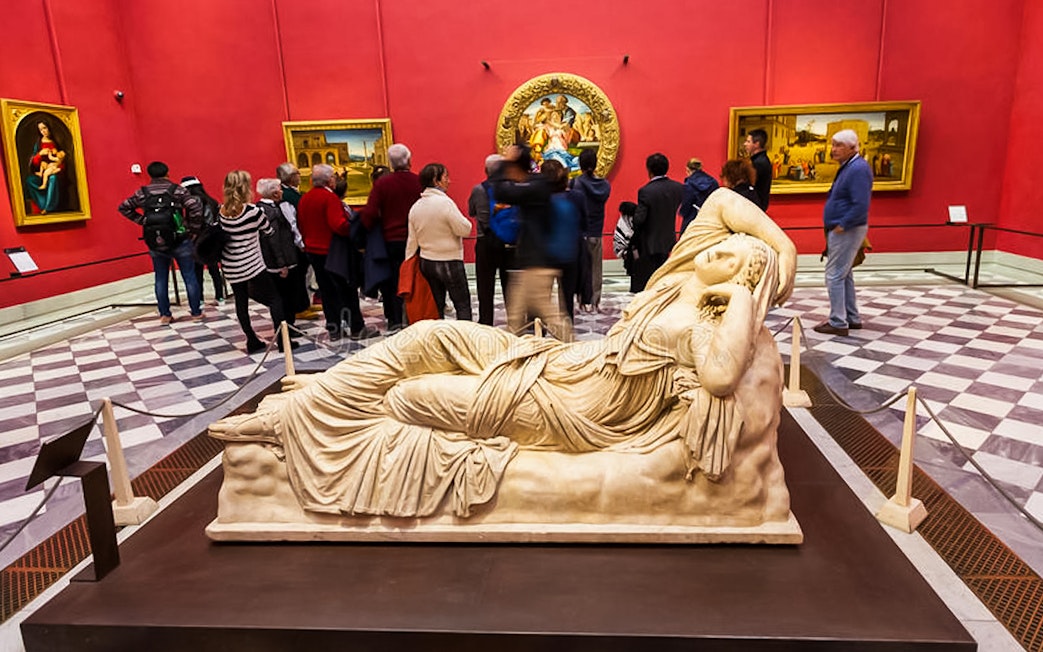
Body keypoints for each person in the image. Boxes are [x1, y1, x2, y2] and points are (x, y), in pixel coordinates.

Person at [209, 188, 797, 519]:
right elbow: (721, 201)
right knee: (427, 336)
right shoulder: (681, 277)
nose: (713, 247)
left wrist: (743, 294)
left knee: (411, 398)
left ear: (743, 274)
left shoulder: (719, 311)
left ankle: (301, 417)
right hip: (562, 362)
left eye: (730, 253)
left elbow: (720, 378)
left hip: (574, 407)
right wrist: (781, 244)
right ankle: (307, 405)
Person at [493, 144, 574, 342]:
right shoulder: (534, 185)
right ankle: (513, 356)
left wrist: (505, 162)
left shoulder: (535, 187)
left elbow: (501, 191)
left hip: (538, 263)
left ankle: (573, 349)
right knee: (517, 316)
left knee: (548, 315)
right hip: (532, 262)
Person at [119, 161, 204, 324]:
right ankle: (195, 313)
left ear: (150, 174)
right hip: (180, 239)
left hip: (155, 241)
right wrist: (192, 229)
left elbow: (124, 207)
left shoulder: (142, 192)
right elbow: (195, 207)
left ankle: (165, 314)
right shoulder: (177, 190)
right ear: (168, 173)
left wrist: (143, 220)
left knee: (160, 277)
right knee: (189, 275)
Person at [219, 170, 290, 353]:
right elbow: (268, 231)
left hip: (232, 267)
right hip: (253, 264)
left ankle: (251, 340)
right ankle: (283, 341)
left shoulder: (221, 211)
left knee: (241, 303)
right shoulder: (253, 211)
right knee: (275, 300)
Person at [297, 164, 370, 341]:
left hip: (313, 251)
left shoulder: (305, 198)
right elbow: (338, 225)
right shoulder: (329, 199)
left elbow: (301, 224)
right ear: (330, 180)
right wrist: (355, 225)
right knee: (347, 290)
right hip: (333, 251)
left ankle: (334, 329)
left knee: (327, 292)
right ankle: (356, 328)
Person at [814, 129, 872, 337]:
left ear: (851, 147)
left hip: (846, 228)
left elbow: (860, 204)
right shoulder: (850, 166)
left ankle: (838, 321)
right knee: (844, 274)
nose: (833, 149)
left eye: (838, 145)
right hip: (844, 227)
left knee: (834, 275)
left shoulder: (857, 169)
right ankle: (851, 316)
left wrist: (843, 224)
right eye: (833, 144)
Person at [360, 143, 422, 333]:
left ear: (391, 163)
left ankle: (395, 319)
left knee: (392, 282)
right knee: (416, 279)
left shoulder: (382, 184)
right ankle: (416, 317)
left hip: (391, 240)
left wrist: (365, 234)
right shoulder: (418, 181)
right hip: (416, 239)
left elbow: (369, 214)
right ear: (409, 160)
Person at [406, 163, 473, 320]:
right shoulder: (445, 203)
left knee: (435, 307)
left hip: (427, 262)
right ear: (436, 181)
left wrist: (408, 264)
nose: (449, 181)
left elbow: (412, 241)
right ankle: (464, 341)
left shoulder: (416, 207)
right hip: (449, 261)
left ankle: (437, 339)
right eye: (445, 177)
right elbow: (464, 229)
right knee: (462, 304)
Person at [256, 178, 308, 342]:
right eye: (280, 189)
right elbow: (274, 240)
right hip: (281, 262)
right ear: (274, 193)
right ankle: (286, 330)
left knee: (285, 296)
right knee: (285, 297)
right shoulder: (271, 212)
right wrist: (282, 264)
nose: (282, 192)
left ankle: (287, 328)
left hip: (276, 261)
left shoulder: (262, 208)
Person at [631, 152, 684, 292]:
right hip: (669, 239)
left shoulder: (646, 191)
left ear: (649, 170)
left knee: (649, 282)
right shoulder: (678, 188)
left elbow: (639, 219)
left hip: (649, 242)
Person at [468, 154, 511, 326]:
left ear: (486, 170)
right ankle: (515, 322)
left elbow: (471, 212)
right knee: (510, 285)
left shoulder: (478, 189)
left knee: (485, 286)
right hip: (507, 242)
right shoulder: (510, 188)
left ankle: (486, 322)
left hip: (484, 241)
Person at [570, 148, 611, 312]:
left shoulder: (575, 183)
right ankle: (595, 301)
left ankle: (581, 301)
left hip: (580, 232)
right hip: (597, 230)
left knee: (581, 269)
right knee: (596, 269)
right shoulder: (605, 185)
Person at [180, 176, 226, 304]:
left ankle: (199, 298)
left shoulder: (192, 202)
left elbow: (195, 221)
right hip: (212, 238)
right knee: (214, 269)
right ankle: (220, 296)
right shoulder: (212, 201)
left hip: (198, 239)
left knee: (197, 270)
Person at [25, 120, 66, 214]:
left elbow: (62, 158)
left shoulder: (55, 142)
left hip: (53, 170)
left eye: (44, 128)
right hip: (41, 171)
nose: (43, 131)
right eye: (40, 129)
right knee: (30, 180)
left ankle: (49, 207)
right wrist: (40, 154)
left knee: (53, 178)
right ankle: (41, 203)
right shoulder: (39, 144)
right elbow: (33, 163)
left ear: (49, 128)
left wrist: (56, 165)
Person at [679, 158, 719, 235]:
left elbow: (686, 204)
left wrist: (682, 213)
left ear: (688, 170)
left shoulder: (689, 184)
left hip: (692, 218)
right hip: (709, 219)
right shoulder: (713, 182)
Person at [613, 200, 639, 292]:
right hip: (637, 248)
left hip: (629, 250)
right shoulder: (637, 219)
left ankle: (633, 288)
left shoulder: (623, 220)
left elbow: (620, 236)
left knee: (632, 271)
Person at [743, 128, 772, 211]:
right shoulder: (759, 160)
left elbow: (749, 185)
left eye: (748, 142)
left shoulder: (759, 163)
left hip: (755, 206)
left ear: (757, 144)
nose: (745, 144)